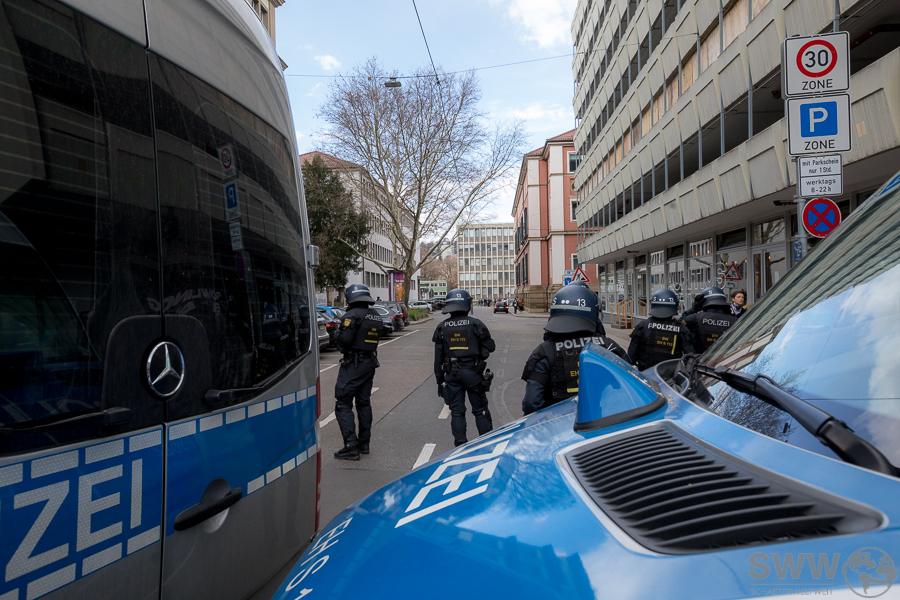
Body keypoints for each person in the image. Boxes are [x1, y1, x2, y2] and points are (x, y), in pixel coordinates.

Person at [521, 284, 630, 415]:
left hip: (560, 424)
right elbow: (630, 388)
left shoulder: (544, 352)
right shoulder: (609, 347)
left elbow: (531, 403)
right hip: (604, 421)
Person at [433, 288, 496, 446]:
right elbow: (491, 347)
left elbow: (437, 360)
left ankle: (460, 445)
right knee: (480, 410)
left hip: (452, 375)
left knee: (457, 412)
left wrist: (440, 382)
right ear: (467, 305)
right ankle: (487, 444)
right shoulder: (475, 324)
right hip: (473, 374)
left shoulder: (442, 327)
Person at [333, 283, 382, 460]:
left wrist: (337, 335)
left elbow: (344, 342)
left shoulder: (351, 315)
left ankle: (351, 446)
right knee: (364, 403)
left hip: (353, 365)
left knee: (343, 403)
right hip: (369, 363)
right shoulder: (375, 315)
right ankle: (364, 444)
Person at [628, 289, 695, 371]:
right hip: (670, 374)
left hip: (645, 373)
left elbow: (631, 356)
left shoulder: (642, 326)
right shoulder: (681, 329)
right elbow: (690, 358)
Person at [683, 286, 738, 353]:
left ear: (703, 302)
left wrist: (694, 308)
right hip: (725, 358)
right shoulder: (735, 321)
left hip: (700, 358)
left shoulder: (695, 318)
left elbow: (678, 325)